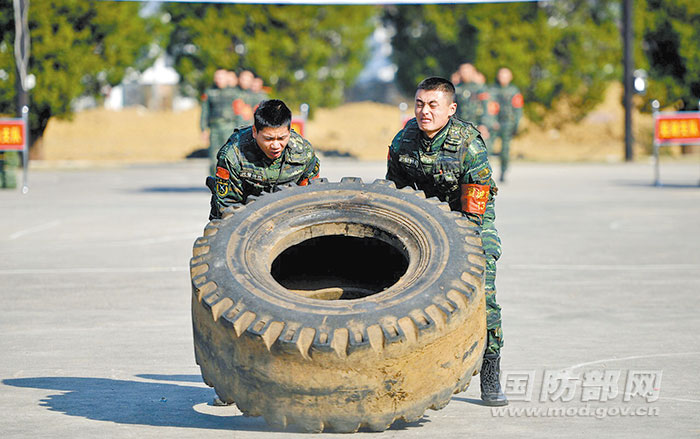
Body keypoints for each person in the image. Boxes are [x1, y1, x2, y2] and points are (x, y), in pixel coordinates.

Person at [386, 77, 507, 406]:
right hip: (422, 224)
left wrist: (453, 244)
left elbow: (475, 206)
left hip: (469, 221)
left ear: (451, 109)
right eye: (420, 104)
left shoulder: (469, 143)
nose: (425, 111)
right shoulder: (403, 142)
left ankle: (491, 367)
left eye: (433, 105)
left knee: (486, 292)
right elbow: (393, 197)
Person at [207, 99, 320, 220]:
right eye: (269, 139)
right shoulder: (233, 155)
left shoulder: (303, 152)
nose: (276, 145)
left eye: (282, 138)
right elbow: (227, 207)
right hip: (244, 217)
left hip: (288, 216)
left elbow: (310, 195)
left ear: (289, 131)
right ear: (255, 132)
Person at [200, 69, 239, 175]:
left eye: (221, 77)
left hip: (229, 127)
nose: (218, 80)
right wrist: (203, 129)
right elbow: (205, 111)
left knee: (230, 156)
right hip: (215, 128)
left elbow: (238, 112)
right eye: (216, 77)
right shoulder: (209, 92)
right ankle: (214, 181)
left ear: (227, 79)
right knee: (214, 157)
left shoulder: (234, 93)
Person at [490, 67, 523, 182]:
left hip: (507, 123)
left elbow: (518, 109)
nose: (503, 78)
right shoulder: (492, 89)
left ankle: (503, 172)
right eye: (501, 75)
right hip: (494, 123)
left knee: (505, 150)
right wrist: (491, 121)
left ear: (510, 77)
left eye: (505, 76)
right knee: (487, 148)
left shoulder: (514, 91)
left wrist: (516, 124)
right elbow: (489, 107)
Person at [454, 63, 491, 141]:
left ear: (473, 73)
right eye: (463, 71)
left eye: (467, 72)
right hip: (459, 125)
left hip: (476, 125)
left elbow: (486, 108)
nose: (465, 74)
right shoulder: (455, 89)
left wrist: (484, 125)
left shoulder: (480, 89)